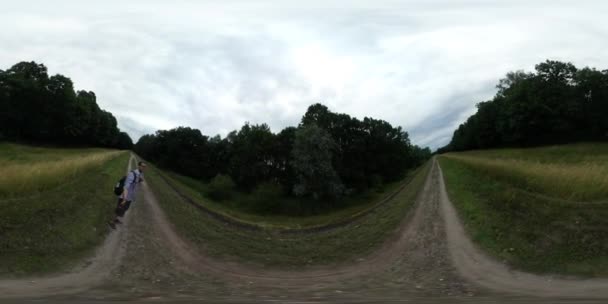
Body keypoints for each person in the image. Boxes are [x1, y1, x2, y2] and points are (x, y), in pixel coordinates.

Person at [109, 161, 146, 229]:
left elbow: (137, 181)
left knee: (124, 209)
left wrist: (140, 180)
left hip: (130, 196)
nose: (143, 168)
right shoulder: (133, 174)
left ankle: (116, 219)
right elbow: (125, 187)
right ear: (138, 166)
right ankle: (112, 222)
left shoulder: (140, 174)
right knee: (119, 209)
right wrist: (124, 198)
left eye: (144, 167)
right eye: (142, 166)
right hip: (125, 195)